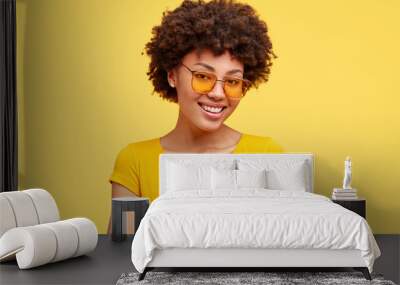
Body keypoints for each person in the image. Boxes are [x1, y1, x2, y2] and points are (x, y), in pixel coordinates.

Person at [107, 0, 284, 234]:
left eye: (232, 82)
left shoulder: (267, 153)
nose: (218, 94)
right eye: (202, 76)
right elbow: (122, 251)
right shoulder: (135, 161)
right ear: (172, 75)